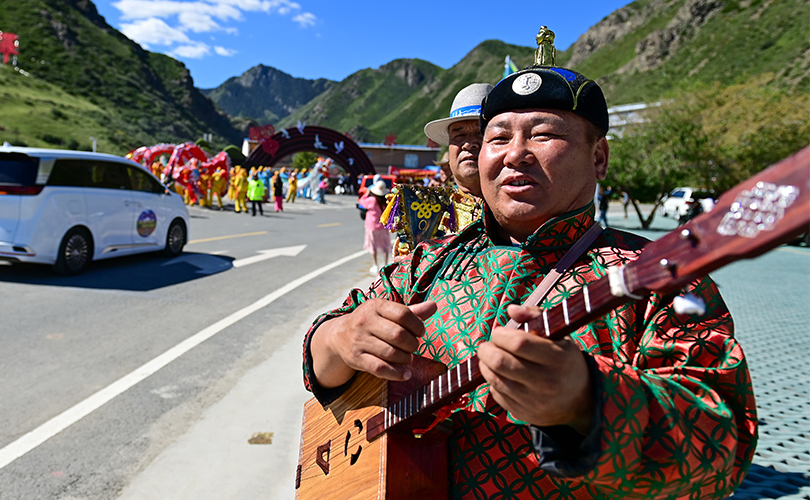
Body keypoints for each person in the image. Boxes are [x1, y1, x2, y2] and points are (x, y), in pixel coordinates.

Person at [302, 62, 754, 499]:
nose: (515, 153)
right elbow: (321, 354)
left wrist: (587, 400)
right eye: (497, 138)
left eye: (543, 134)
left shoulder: (660, 277)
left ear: (599, 158)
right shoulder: (429, 262)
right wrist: (340, 337)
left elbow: (722, 450)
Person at [359, 178, 391, 273]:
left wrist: (367, 193)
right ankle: (385, 264)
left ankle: (375, 264)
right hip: (383, 226)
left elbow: (361, 201)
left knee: (373, 245)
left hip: (372, 226)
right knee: (385, 245)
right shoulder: (386, 201)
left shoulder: (371, 200)